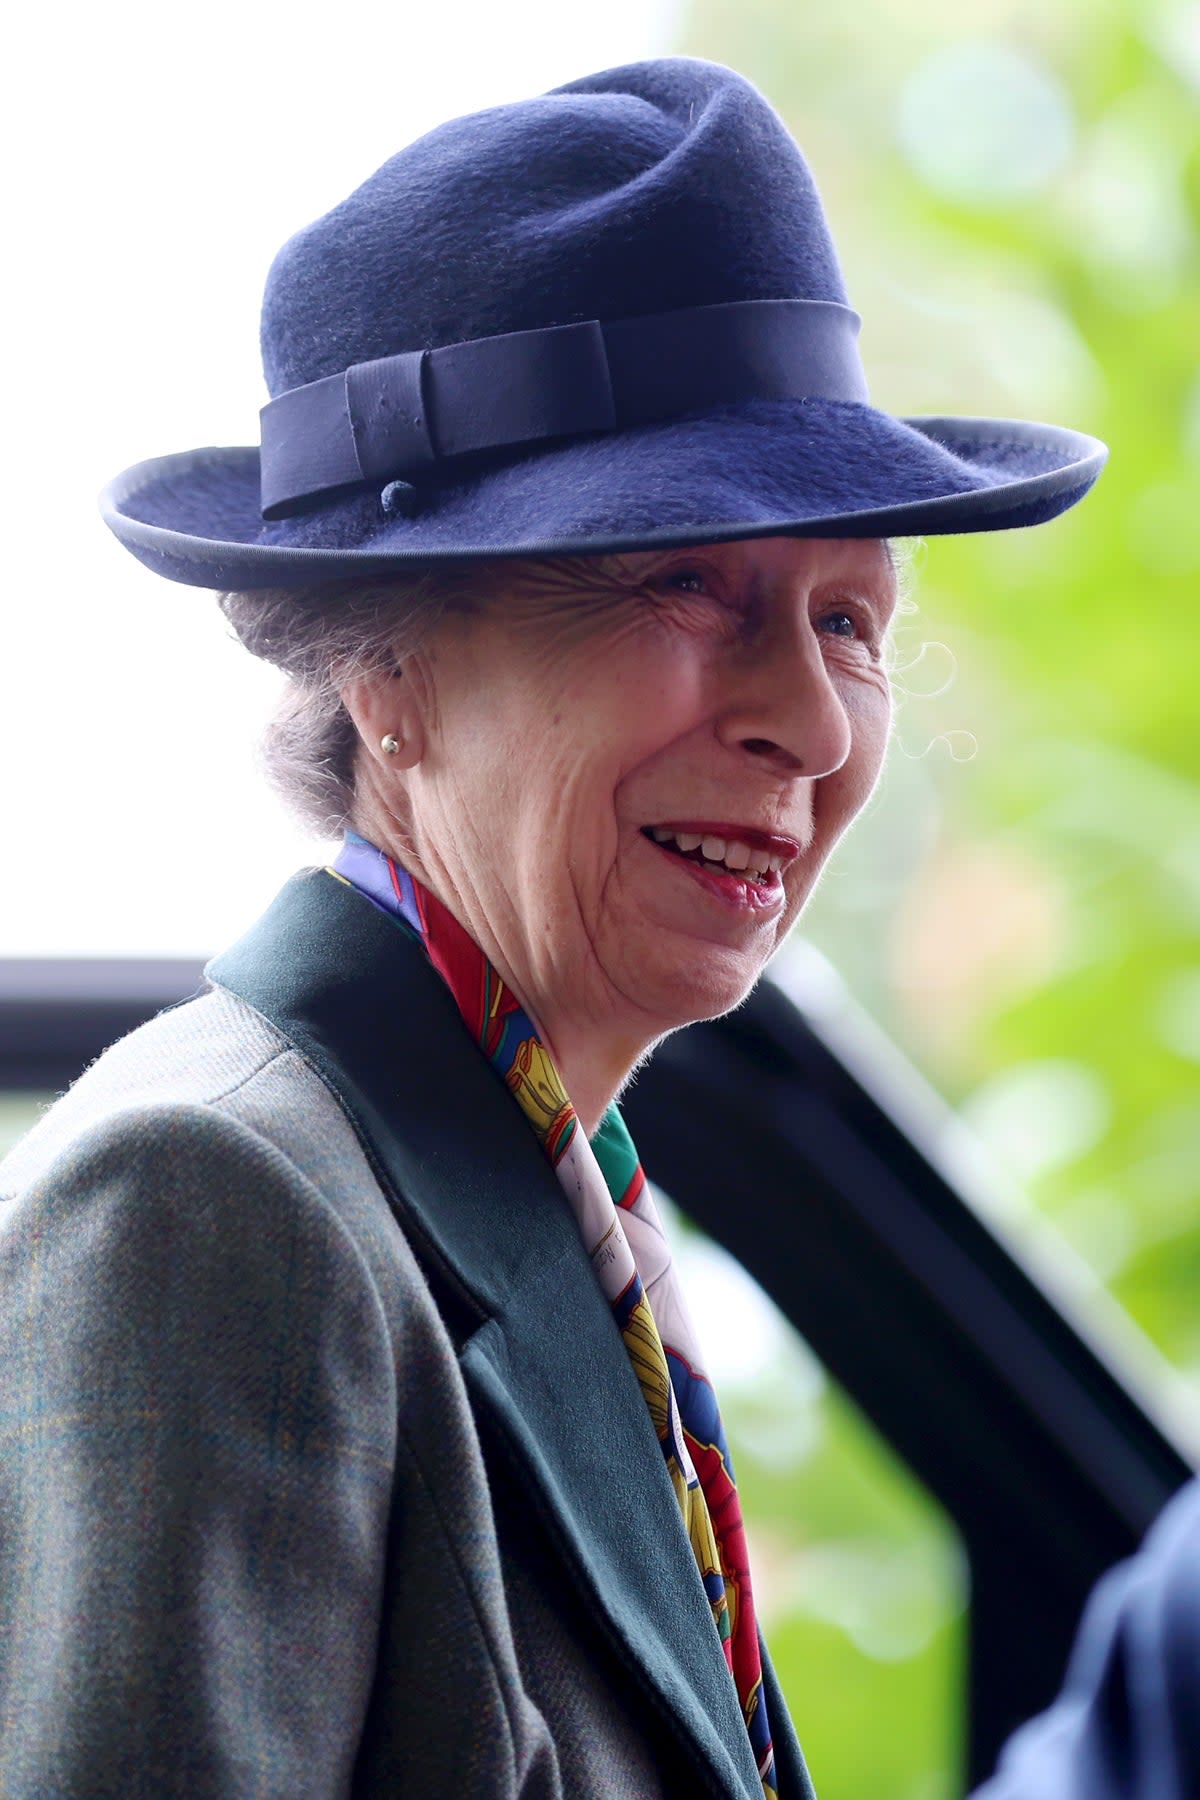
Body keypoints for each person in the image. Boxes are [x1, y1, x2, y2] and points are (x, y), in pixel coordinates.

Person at [0, 55, 1113, 1800]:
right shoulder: (214, 1205)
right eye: (686, 582)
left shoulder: (544, 1188)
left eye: (849, 620)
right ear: (386, 669)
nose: (812, 727)